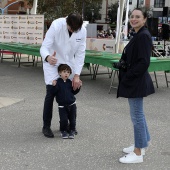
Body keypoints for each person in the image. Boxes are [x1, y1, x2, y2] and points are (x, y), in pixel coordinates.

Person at [113, 8, 155, 163]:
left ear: (144, 19)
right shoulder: (138, 34)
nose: (133, 19)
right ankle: (143, 142)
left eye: (138, 17)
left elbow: (144, 62)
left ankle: (138, 153)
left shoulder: (143, 36)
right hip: (135, 80)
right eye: (132, 17)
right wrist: (122, 65)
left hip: (135, 81)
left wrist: (128, 75)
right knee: (139, 115)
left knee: (136, 116)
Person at [40, 13, 86, 138]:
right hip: (53, 63)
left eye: (76, 30)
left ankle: (70, 126)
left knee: (70, 92)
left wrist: (77, 75)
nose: (73, 31)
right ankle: (46, 126)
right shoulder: (56, 25)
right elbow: (44, 47)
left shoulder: (82, 31)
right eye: (71, 29)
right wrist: (48, 57)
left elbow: (81, 53)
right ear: (67, 22)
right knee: (51, 93)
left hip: (68, 65)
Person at [52, 64, 80, 139]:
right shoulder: (58, 82)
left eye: (68, 72)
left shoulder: (70, 82)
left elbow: (74, 92)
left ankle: (72, 130)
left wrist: (78, 87)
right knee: (63, 119)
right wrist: (54, 85)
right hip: (62, 106)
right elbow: (54, 92)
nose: (66, 73)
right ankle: (63, 131)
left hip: (72, 104)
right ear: (60, 73)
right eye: (64, 72)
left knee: (72, 119)